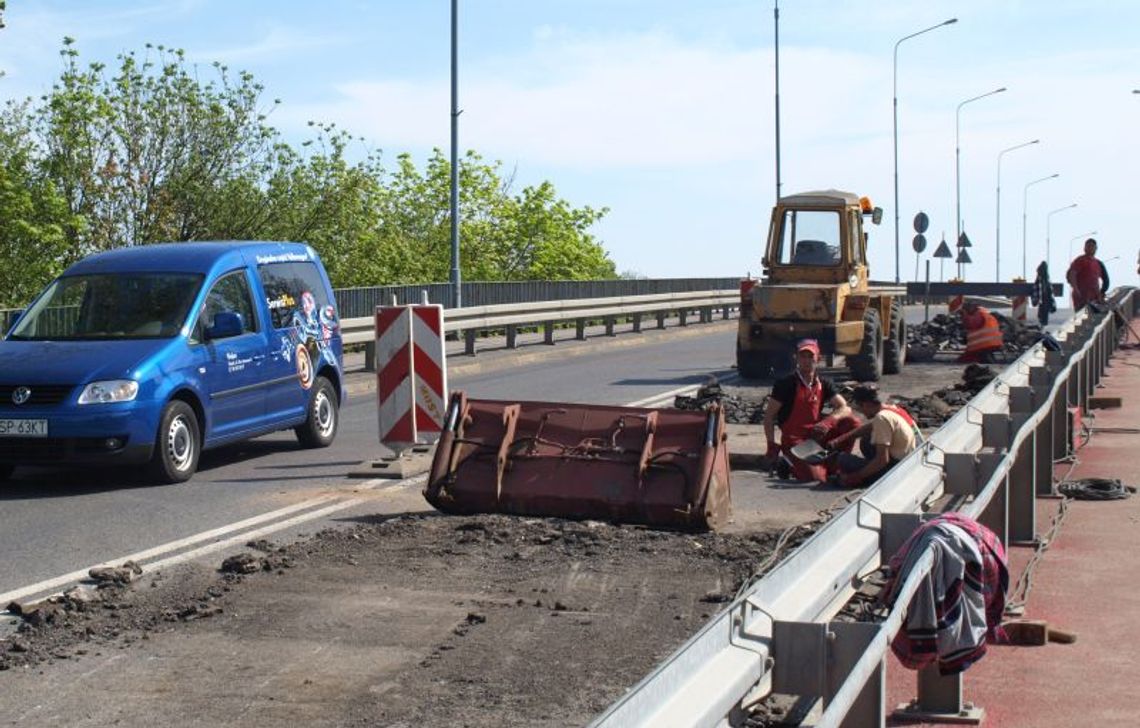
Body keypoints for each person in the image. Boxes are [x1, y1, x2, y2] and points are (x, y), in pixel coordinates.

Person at [762, 338, 860, 482]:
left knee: (852, 423)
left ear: (818, 359)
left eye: (810, 356)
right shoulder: (785, 384)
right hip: (796, 441)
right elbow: (769, 417)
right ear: (797, 358)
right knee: (816, 478)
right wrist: (771, 444)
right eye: (803, 356)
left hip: (816, 434)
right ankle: (788, 463)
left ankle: (833, 464)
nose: (806, 360)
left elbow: (844, 407)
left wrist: (828, 422)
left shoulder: (824, 383)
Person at [832, 385, 919, 487]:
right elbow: (869, 427)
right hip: (910, 458)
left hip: (897, 470)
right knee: (866, 440)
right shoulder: (892, 409)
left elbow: (882, 460)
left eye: (860, 409)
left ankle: (873, 476)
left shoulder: (881, 418)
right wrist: (841, 439)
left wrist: (855, 477)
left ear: (866, 404)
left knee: (843, 460)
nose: (862, 413)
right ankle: (870, 469)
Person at [949, 296, 1003, 363]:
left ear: (973, 307)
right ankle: (991, 362)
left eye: (967, 308)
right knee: (980, 356)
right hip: (991, 342)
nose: (967, 310)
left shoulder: (978, 315)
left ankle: (990, 362)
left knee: (970, 357)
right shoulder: (985, 314)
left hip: (983, 344)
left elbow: (971, 324)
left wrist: (964, 315)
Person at [1066, 237, 1109, 311]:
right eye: (1088, 246)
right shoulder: (1080, 260)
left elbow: (1106, 280)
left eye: (1092, 246)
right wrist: (1076, 289)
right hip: (1081, 297)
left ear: (1096, 248)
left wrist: (1101, 293)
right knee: (1082, 316)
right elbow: (1072, 274)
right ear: (1084, 248)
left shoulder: (1098, 263)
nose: (1089, 248)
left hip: (1094, 297)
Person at [1030, 261, 1057, 327]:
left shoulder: (1039, 279)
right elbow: (1050, 292)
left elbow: (1036, 290)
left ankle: (1042, 324)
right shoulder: (1046, 279)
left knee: (1042, 314)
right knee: (1044, 315)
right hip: (1045, 300)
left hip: (1042, 300)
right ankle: (1042, 324)